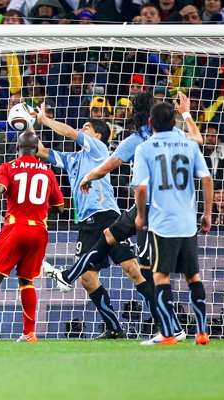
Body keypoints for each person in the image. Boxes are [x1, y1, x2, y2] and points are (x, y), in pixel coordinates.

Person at [45, 91, 203, 343]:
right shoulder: (175, 135)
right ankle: (169, 328)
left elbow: (110, 164)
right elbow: (198, 139)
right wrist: (186, 113)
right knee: (140, 264)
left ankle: (171, 328)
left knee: (139, 267)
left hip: (143, 207)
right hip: (176, 209)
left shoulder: (135, 139)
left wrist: (89, 177)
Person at [36, 104, 158, 339]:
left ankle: (163, 319)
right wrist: (27, 121)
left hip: (106, 215)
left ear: (98, 135)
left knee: (132, 269)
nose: (82, 129)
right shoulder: (72, 159)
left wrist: (46, 120)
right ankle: (114, 328)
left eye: (87, 127)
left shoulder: (98, 149)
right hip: (85, 223)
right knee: (88, 279)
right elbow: (41, 151)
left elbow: (71, 133)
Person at [0, 131, 64, 343]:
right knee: (26, 281)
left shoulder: (8, 167)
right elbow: (60, 207)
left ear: (17, 148)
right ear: (37, 150)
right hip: (39, 231)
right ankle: (29, 333)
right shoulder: (47, 172)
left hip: (15, 227)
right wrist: (37, 208)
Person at [131, 101, 213, 346]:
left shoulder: (145, 149)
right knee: (193, 276)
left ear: (149, 123)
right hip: (188, 221)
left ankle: (168, 334)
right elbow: (207, 179)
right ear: (174, 122)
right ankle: (201, 332)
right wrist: (207, 213)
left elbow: (142, 187)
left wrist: (141, 216)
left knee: (160, 277)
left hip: (162, 222)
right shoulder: (189, 146)